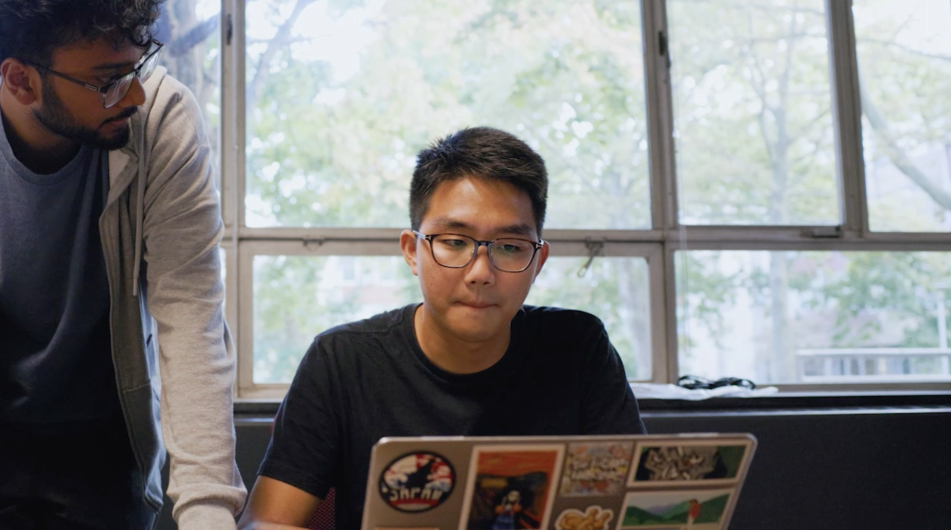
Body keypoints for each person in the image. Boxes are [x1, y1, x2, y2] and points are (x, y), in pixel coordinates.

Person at [0, 1, 244, 529]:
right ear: (20, 80)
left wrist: (209, 512)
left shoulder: (163, 122)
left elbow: (192, 324)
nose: (135, 94)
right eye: (107, 81)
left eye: (139, 65)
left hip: (108, 444)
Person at [238, 127, 645, 530]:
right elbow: (266, 522)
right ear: (413, 251)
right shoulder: (342, 361)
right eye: (454, 241)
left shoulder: (578, 349)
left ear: (537, 262)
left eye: (509, 247)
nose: (481, 273)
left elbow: (637, 507)